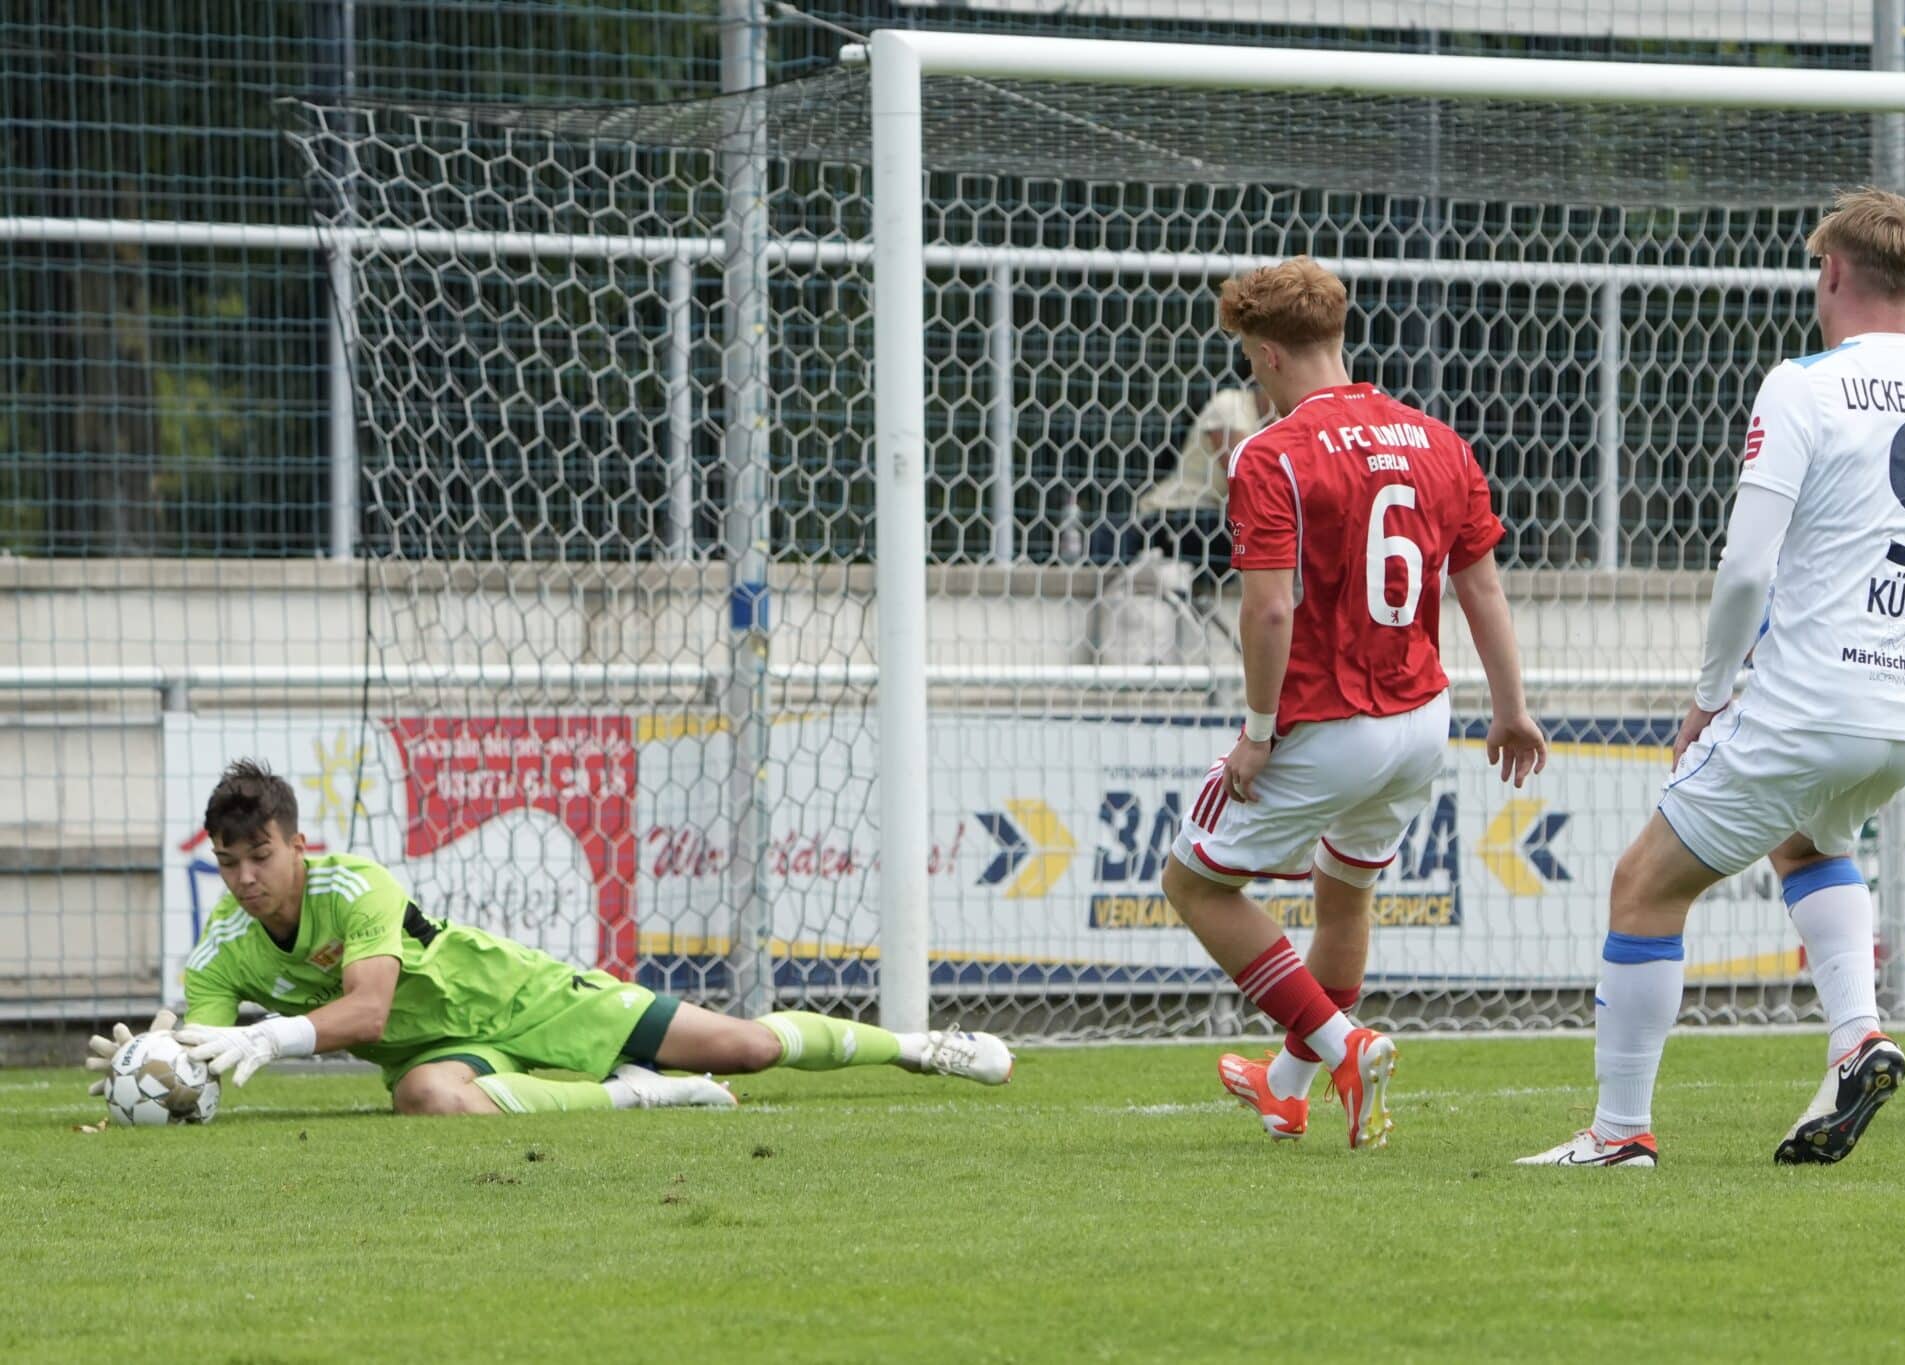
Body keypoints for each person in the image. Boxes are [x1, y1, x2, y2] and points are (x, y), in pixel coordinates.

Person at [1520, 187, 1905, 1170]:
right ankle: (1856, 1037)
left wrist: (1709, 693)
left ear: (1829, 272)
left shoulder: (1801, 385)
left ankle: (1618, 1133)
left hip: (1810, 702)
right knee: (1804, 841)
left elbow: (1745, 567)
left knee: (1641, 887)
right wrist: (1899, 619)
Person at [1157, 255, 1548, 1149]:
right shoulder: (1438, 439)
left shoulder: (1272, 452)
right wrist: (1512, 708)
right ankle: (1287, 1087)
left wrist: (1257, 734)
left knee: (1195, 882)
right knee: (1344, 898)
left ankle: (1342, 1044)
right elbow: (1482, 589)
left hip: (1329, 719)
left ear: (1264, 355)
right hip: (1421, 720)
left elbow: (1267, 606)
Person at [85, 759, 1012, 1118]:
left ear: (296, 843)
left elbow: (366, 1010)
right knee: (431, 1103)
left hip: (520, 993)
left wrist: (267, 1035)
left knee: (749, 1044)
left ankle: (922, 1046)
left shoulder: (355, 884)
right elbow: (205, 1053)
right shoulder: (224, 943)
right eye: (229, 862)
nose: (246, 878)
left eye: (261, 856)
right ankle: (646, 1099)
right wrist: (165, 1057)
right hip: (448, 1049)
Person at [1139, 381, 1276, 578]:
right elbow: (1248, 478)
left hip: (1217, 522)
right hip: (1176, 513)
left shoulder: (1276, 424)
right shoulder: (1230, 403)